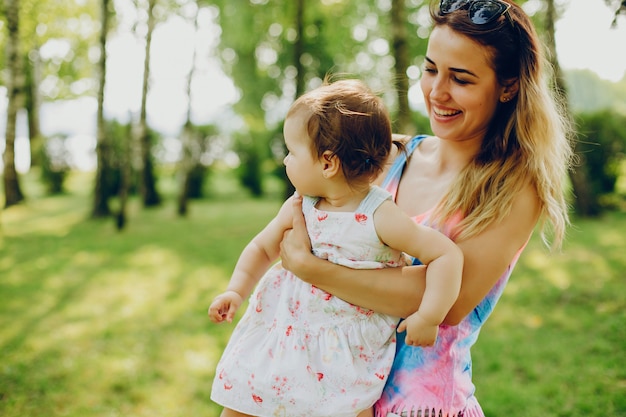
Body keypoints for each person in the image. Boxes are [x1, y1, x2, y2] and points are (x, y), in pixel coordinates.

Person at [278, 1, 574, 416]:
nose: (437, 92)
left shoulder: (514, 188)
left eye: (462, 79)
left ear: (507, 86)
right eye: (431, 69)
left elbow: (444, 302)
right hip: (333, 396)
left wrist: (312, 269)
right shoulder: (391, 155)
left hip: (417, 404)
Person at [208, 78, 464, 417]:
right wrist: (235, 292)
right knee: (241, 406)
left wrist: (429, 315)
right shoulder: (299, 205)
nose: (285, 161)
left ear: (328, 163)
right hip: (282, 341)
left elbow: (447, 254)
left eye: (292, 152)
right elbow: (262, 248)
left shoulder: (379, 215)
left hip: (344, 358)